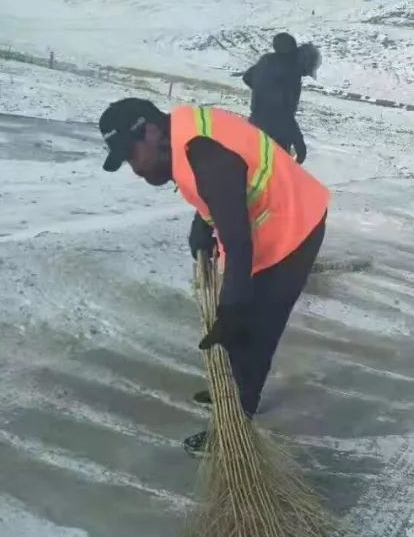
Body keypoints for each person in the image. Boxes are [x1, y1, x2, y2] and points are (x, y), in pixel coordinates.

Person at [98, 98, 330, 455]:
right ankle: (231, 390)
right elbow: (221, 196)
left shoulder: (205, 155)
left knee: (255, 329)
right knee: (241, 319)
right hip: (266, 216)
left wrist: (233, 310)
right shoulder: (186, 136)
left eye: (131, 155)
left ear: (151, 131)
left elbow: (238, 242)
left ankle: (234, 422)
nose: (135, 169)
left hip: (294, 223)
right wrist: (202, 225)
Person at [240, 32, 316, 162]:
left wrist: (262, 91)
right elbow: (283, 114)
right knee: (275, 172)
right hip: (276, 134)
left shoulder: (266, 60)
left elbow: (247, 77)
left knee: (253, 166)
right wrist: (299, 143)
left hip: (255, 124)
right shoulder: (291, 73)